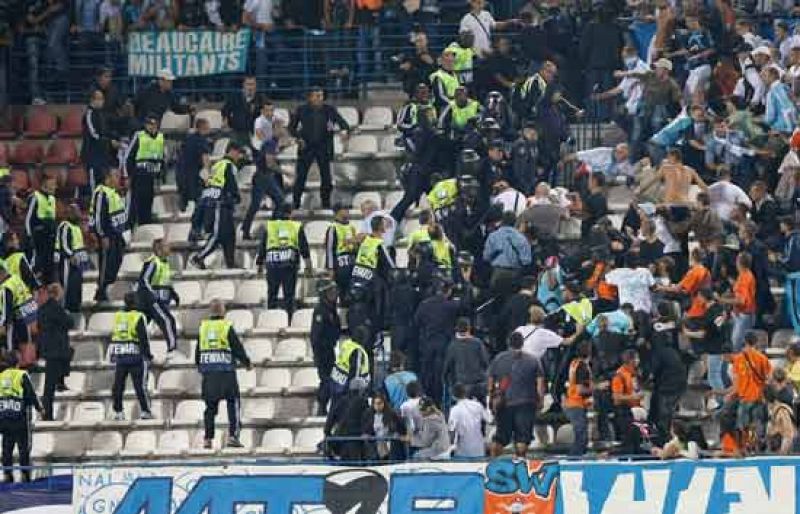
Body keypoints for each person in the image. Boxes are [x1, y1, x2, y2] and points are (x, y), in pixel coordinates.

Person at [196, 299, 252, 449]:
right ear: (223, 311)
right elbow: (236, 347)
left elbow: (198, 351)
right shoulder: (226, 326)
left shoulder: (203, 328)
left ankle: (208, 438)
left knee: (210, 408)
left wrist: (201, 367)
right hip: (225, 372)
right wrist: (246, 362)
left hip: (209, 373)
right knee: (233, 403)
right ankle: (233, 436)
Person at [288, 87, 351, 210]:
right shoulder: (302, 110)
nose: (319, 98)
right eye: (316, 96)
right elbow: (291, 128)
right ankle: (296, 203)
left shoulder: (330, 110)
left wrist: (344, 132)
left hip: (324, 147)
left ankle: (326, 204)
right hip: (306, 147)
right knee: (300, 177)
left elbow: (344, 124)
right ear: (310, 97)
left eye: (321, 96)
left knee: (326, 178)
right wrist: (298, 138)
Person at [488, 331, 545, 458]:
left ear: (509, 343)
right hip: (526, 402)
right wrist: (540, 400)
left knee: (500, 437)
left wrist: (491, 399)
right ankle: (520, 463)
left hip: (504, 403)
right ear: (522, 343)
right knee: (522, 438)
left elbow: (490, 381)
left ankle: (492, 463)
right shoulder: (533, 360)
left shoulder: (498, 359)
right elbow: (540, 383)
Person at [190, 142, 243, 270]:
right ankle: (199, 257)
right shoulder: (229, 165)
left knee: (230, 235)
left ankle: (230, 263)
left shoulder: (217, 165)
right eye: (238, 153)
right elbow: (230, 182)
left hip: (210, 200)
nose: (239, 156)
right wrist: (236, 196)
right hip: (219, 203)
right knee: (218, 234)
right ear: (232, 151)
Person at [255, 204, 312, 316]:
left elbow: (262, 247)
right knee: (289, 297)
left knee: (272, 295)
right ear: (291, 213)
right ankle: (289, 320)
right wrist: (308, 266)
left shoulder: (270, 226)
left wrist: (259, 265)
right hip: (289, 266)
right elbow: (304, 248)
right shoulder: (296, 226)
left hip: (272, 265)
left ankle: (270, 320)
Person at [108, 292, 153, 421]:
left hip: (121, 355)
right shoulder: (138, 316)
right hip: (135, 355)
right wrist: (148, 355)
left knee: (118, 385)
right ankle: (145, 410)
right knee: (140, 386)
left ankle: (118, 411)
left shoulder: (118, 316)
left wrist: (113, 354)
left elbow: (115, 335)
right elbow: (143, 337)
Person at [0, 350, 42, 483]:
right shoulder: (22, 375)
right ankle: (25, 474)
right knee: (23, 447)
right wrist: (39, 407)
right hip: (20, 418)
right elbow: (30, 394)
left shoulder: (1, 376)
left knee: (7, 447)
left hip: (4, 417)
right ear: (18, 362)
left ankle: (7, 474)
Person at [37, 283, 73, 421]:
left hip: (48, 349)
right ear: (57, 294)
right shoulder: (56, 307)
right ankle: (47, 414)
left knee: (49, 385)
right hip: (57, 350)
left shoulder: (41, 310)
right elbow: (69, 322)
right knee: (49, 386)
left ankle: (60, 381)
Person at [90, 169, 128, 302]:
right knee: (106, 264)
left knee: (116, 262)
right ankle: (100, 291)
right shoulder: (101, 192)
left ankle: (106, 287)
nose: (119, 178)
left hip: (117, 235)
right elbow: (98, 217)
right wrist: (102, 235)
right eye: (116, 176)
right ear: (107, 177)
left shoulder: (114, 193)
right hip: (107, 236)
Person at [137, 238, 179, 352]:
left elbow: (163, 281)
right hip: (153, 300)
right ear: (159, 249)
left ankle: (139, 349)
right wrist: (152, 296)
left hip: (160, 300)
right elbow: (144, 280)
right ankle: (172, 349)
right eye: (166, 246)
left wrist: (172, 293)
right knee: (167, 320)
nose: (169, 248)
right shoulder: (153, 262)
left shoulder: (164, 262)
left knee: (142, 326)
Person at [730, 331, 772, 443]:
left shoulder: (738, 359)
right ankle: (759, 445)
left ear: (744, 341)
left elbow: (736, 380)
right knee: (758, 422)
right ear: (756, 342)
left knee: (743, 424)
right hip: (759, 396)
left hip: (744, 397)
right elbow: (769, 378)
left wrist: (732, 394)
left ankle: (745, 445)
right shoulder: (762, 358)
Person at [310, 279, 341, 416]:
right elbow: (316, 336)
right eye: (330, 292)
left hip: (329, 350)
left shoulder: (331, 309)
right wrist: (318, 354)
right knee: (326, 380)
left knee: (330, 379)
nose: (334, 294)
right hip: (323, 352)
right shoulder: (320, 311)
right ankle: (321, 406)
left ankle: (324, 406)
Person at [443, 317, 489, 402]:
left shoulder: (453, 345)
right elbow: (486, 362)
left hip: (463, 386)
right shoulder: (477, 343)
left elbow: (447, 367)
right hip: (479, 384)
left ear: (457, 329)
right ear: (469, 328)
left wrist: (447, 382)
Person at [82, 88, 118, 193]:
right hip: (92, 157)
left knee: (104, 185)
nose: (102, 101)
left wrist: (113, 139)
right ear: (92, 100)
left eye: (102, 98)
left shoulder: (101, 114)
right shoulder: (89, 114)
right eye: (99, 98)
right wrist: (109, 142)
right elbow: (94, 134)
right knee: (94, 187)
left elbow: (105, 132)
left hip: (103, 156)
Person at [717, 252, 756, 351]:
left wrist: (721, 300)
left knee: (736, 345)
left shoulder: (746, 278)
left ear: (739, 263)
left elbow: (741, 301)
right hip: (739, 314)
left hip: (744, 315)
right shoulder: (743, 275)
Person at [55, 205, 88, 314]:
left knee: (76, 286)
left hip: (78, 262)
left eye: (78, 211)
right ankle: (64, 308)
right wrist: (70, 255)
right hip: (67, 262)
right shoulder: (65, 226)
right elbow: (63, 244)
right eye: (74, 211)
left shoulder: (77, 227)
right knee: (67, 285)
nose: (77, 214)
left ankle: (75, 307)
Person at [24, 175, 56, 282]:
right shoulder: (34, 197)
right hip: (37, 239)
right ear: (44, 184)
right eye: (52, 184)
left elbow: (52, 219)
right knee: (36, 268)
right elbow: (28, 220)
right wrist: (29, 238)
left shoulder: (52, 199)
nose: (55, 186)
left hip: (49, 239)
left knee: (49, 269)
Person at [329, 326, 372, 406]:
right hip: (347, 387)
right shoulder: (358, 350)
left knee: (335, 409)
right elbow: (355, 373)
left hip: (336, 381)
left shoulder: (347, 344)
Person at [175, 117, 211, 212]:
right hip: (194, 175)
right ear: (203, 128)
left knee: (184, 199)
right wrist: (207, 175)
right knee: (198, 199)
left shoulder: (188, 138)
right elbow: (205, 158)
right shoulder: (202, 140)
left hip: (182, 173)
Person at [324, 203, 358, 302]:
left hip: (351, 263)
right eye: (345, 209)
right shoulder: (333, 228)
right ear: (338, 212)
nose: (348, 212)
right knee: (342, 294)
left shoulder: (352, 227)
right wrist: (330, 268)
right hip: (340, 264)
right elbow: (329, 249)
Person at [565, 341, 593, 456]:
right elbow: (580, 389)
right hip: (577, 403)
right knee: (581, 437)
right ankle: (573, 460)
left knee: (581, 436)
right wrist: (597, 388)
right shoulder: (582, 366)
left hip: (572, 402)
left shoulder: (574, 363)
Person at [361, 391, 407, 461]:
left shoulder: (392, 414)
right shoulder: (367, 415)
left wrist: (397, 434)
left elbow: (401, 428)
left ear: (384, 403)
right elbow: (365, 430)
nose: (378, 406)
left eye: (380, 403)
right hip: (374, 444)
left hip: (389, 443)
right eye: (376, 404)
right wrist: (366, 435)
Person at [448, 383, 489, 458]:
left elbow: (452, 431)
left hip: (463, 451)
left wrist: (449, 447)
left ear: (453, 396)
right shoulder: (477, 405)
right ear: (465, 393)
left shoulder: (454, 410)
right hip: (479, 449)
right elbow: (489, 420)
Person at [221, 75, 264, 146]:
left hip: (254, 132)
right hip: (237, 131)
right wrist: (225, 119)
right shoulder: (235, 97)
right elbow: (225, 110)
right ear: (243, 85)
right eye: (248, 84)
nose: (250, 87)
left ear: (256, 86)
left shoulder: (261, 99)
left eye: (252, 84)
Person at [611, 349, 642, 442]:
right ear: (631, 360)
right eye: (637, 358)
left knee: (637, 440)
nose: (638, 361)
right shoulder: (619, 375)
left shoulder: (633, 373)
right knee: (628, 441)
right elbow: (616, 397)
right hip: (624, 412)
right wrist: (633, 397)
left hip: (634, 411)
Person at [765, 384, 797, 455]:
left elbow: (789, 434)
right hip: (776, 449)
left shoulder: (782, 410)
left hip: (786, 451)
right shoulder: (771, 410)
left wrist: (782, 454)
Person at [429, 48, 460, 113]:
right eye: (447, 57)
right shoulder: (437, 76)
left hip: (455, 105)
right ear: (441, 61)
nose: (451, 60)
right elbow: (440, 96)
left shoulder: (455, 75)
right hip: (442, 107)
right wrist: (453, 104)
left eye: (452, 59)